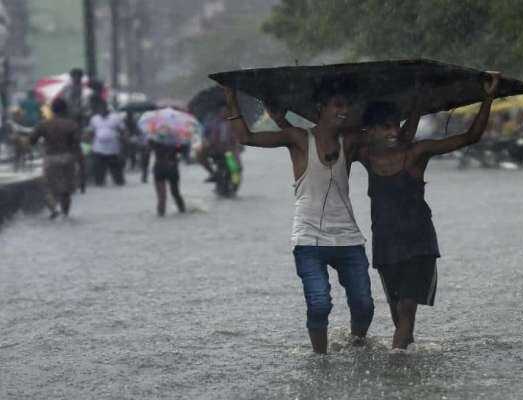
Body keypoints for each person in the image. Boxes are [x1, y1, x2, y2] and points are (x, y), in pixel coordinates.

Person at [222, 78, 374, 354]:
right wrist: (232, 99)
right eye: (338, 105)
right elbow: (246, 138)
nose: (345, 110)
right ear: (321, 107)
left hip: (348, 238)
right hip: (309, 239)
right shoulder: (299, 138)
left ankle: (358, 346)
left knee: (364, 304)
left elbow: (387, 135)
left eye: (347, 105)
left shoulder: (350, 140)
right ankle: (320, 359)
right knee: (319, 304)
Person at [356, 72, 500, 351]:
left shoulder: (416, 153)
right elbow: (333, 137)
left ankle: (396, 366)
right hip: (386, 247)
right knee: (399, 315)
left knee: (407, 308)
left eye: (395, 126)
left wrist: (488, 98)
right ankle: (406, 364)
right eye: (385, 127)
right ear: (370, 131)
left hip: (418, 243)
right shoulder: (364, 156)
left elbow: (471, 136)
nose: (393, 132)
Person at [30, 98, 85, 219]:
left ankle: (54, 210)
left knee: (49, 189)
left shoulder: (44, 124)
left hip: (50, 159)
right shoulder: (71, 124)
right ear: (66, 109)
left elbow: (32, 140)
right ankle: (65, 216)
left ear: (52, 110)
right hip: (68, 159)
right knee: (65, 191)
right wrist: (82, 168)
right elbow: (77, 147)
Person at [141, 140, 187, 216]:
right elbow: (183, 153)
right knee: (175, 193)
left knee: (162, 196)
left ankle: (161, 214)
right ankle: (182, 209)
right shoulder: (176, 141)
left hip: (160, 169)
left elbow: (146, 153)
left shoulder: (154, 140)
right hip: (171, 168)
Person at [88, 99, 126, 186]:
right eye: (100, 109)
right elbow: (91, 132)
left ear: (107, 108)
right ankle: (99, 182)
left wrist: (123, 141)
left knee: (116, 169)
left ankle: (119, 181)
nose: (102, 110)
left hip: (113, 148)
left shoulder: (115, 118)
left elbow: (123, 130)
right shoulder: (94, 119)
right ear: (98, 109)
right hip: (99, 148)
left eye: (103, 108)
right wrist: (90, 143)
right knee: (99, 169)